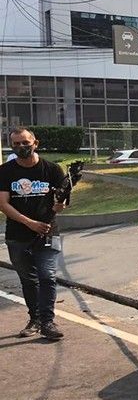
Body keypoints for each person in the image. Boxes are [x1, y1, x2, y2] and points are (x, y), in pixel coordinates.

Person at [0, 127, 67, 340]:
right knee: (28, 281)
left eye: (25, 143)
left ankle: (48, 322)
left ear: (35, 143)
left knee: (47, 277)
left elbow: (63, 198)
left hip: (48, 233)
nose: (21, 147)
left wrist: (60, 205)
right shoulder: (5, 171)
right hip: (17, 235)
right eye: (16, 144)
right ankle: (34, 319)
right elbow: (3, 204)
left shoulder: (52, 169)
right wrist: (29, 223)